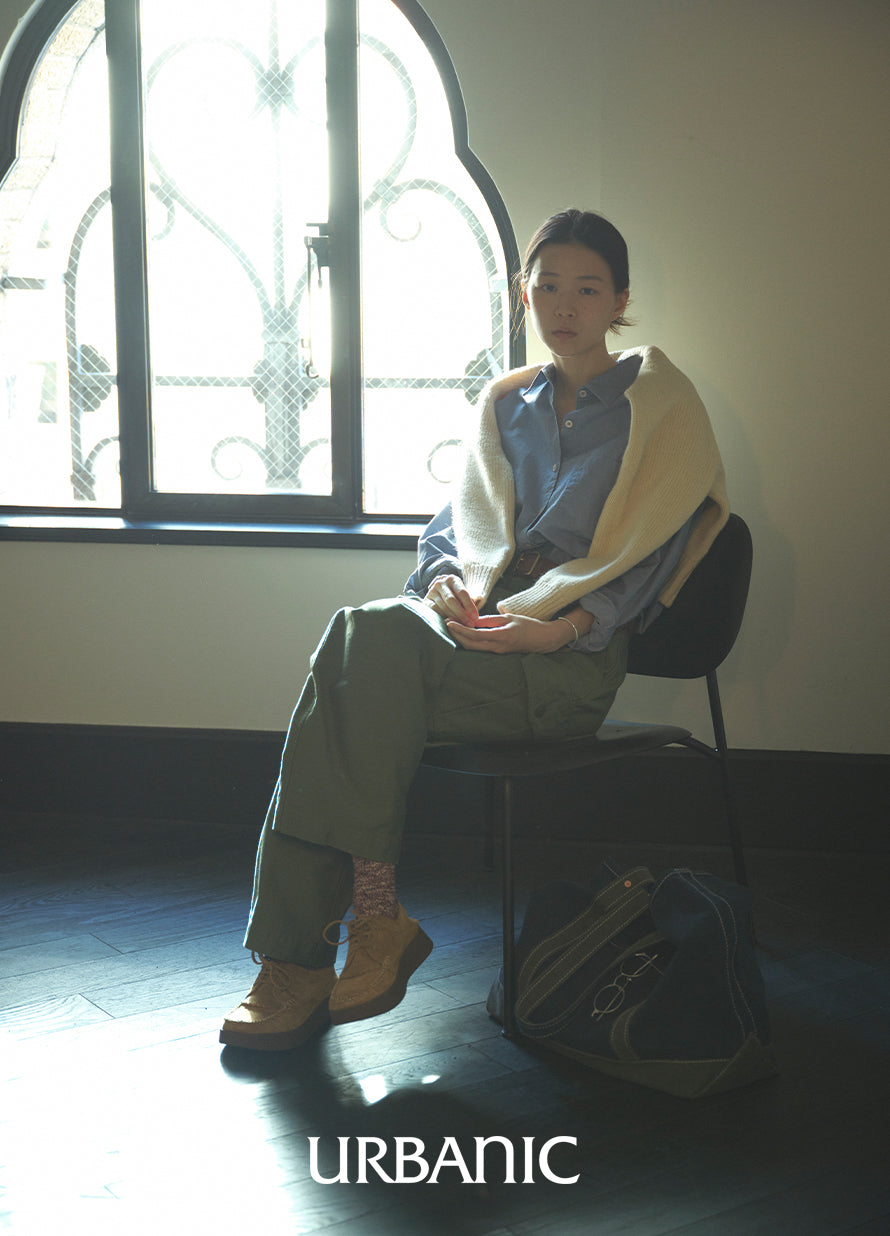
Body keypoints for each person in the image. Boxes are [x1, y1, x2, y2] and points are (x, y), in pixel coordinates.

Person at [219, 208, 729, 1051]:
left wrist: (558, 630)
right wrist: (444, 583)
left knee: (349, 674)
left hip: (569, 659)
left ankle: (304, 956)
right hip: (477, 630)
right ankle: (354, 931)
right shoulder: (504, 404)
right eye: (548, 286)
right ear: (524, 294)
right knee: (362, 638)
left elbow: (653, 555)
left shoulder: (664, 406)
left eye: (588, 289)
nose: (564, 305)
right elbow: (453, 531)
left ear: (620, 300)